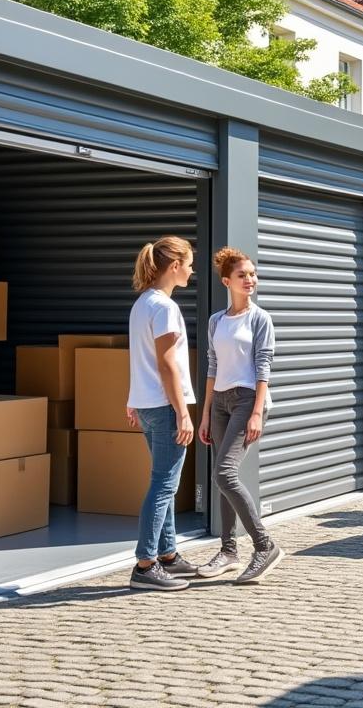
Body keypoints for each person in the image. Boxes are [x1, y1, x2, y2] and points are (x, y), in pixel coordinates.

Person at [195, 247, 285, 584]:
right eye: (242, 275)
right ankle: (229, 551)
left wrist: (257, 411)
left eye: (252, 274)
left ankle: (265, 545)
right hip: (219, 401)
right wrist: (205, 413)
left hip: (248, 399)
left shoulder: (260, 318)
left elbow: (264, 367)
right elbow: (212, 366)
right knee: (222, 479)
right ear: (226, 281)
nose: (250, 280)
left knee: (224, 473)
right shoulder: (216, 321)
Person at [126, 236, 201, 590]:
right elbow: (167, 363)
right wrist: (183, 412)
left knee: (164, 484)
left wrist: (132, 399)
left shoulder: (143, 303)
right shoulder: (165, 308)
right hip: (165, 406)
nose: (191, 270)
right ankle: (145, 565)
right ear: (174, 267)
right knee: (163, 485)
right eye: (188, 264)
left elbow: (139, 358)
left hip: (146, 404)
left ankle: (168, 555)